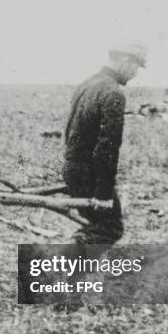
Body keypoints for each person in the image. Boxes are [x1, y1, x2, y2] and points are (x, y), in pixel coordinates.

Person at [63, 41, 147, 249]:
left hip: (73, 169)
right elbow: (107, 147)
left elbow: (70, 131)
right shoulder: (113, 93)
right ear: (125, 61)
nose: (135, 73)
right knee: (109, 228)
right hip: (89, 175)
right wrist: (103, 193)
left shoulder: (88, 84)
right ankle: (59, 271)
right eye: (136, 67)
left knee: (97, 227)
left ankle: (70, 275)